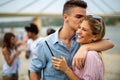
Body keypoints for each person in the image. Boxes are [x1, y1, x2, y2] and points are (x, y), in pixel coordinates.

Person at [29, 0, 114, 80]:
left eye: (84, 17)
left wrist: (85, 48)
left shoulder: (82, 39)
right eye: (78, 16)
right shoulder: (45, 44)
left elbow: (110, 43)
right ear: (65, 17)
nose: (82, 21)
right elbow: (34, 71)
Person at [52, 15, 105, 80]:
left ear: (95, 37)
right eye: (79, 27)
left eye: (84, 30)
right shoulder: (83, 50)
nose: (78, 32)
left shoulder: (91, 55)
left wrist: (66, 69)